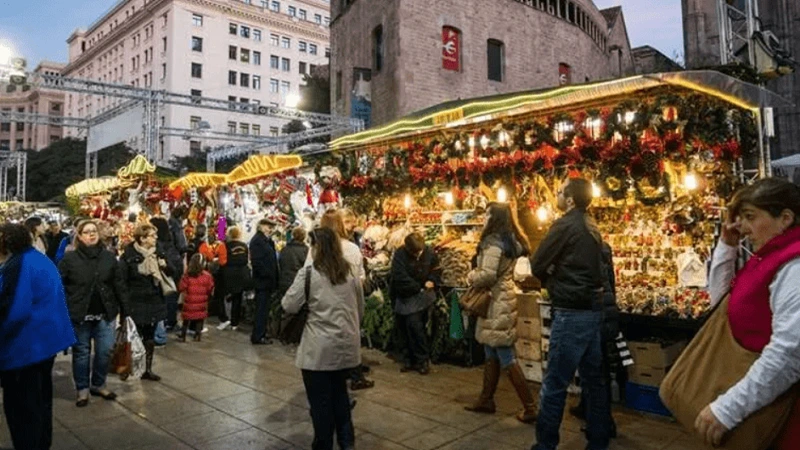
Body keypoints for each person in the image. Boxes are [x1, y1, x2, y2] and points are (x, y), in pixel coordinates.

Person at [696, 178, 800, 449]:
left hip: (785, 409)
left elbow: (790, 352)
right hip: (764, 397)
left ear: (785, 218)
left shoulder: (794, 265)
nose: (742, 226)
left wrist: (729, 409)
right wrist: (727, 245)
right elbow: (720, 302)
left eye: (750, 217)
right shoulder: (769, 255)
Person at [530, 178, 610, 450]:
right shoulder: (591, 224)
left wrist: (552, 272)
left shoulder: (565, 224)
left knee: (554, 384)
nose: (557, 194)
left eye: (561, 191)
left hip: (571, 312)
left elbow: (537, 263)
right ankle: (598, 441)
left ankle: (545, 445)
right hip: (591, 310)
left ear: (571, 199)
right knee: (593, 381)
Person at [282, 227, 364, 450]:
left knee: (320, 404)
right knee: (340, 398)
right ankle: (347, 444)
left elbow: (288, 304)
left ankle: (323, 444)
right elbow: (360, 308)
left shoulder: (309, 273)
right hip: (346, 346)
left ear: (316, 247)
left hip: (318, 349)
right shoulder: (349, 273)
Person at [0, 223, 76, 450]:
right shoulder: (36, 258)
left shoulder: (20, 264)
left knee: (23, 409)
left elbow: (13, 310)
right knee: (40, 403)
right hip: (43, 344)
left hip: (26, 348)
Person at [464, 202, 538, 424]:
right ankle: (486, 399)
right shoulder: (508, 241)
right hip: (501, 298)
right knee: (491, 351)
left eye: (487, 214)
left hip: (496, 301)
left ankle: (531, 407)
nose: (484, 217)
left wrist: (470, 276)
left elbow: (486, 275)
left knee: (505, 354)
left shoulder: (493, 244)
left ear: (493, 218)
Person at [58, 220, 127, 407]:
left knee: (105, 351)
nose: (91, 234)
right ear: (79, 236)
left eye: (94, 231)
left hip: (105, 314)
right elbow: (59, 285)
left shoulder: (108, 257)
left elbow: (118, 284)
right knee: (81, 353)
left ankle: (98, 384)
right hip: (80, 315)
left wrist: (125, 310)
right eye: (87, 232)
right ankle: (82, 389)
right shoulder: (69, 259)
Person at [317, 210, 373, 389]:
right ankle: (352, 375)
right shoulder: (350, 248)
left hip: (324, 305)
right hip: (346, 303)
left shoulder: (316, 250)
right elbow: (357, 278)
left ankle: (346, 373)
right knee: (349, 337)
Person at [569, 241, 620, 438]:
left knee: (596, 372)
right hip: (606, 311)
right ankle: (587, 407)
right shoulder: (603, 248)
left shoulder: (581, 251)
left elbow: (584, 289)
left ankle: (603, 423)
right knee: (596, 368)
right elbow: (611, 282)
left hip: (594, 315)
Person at [119, 224, 177, 381]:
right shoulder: (128, 256)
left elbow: (173, 271)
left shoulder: (159, 253)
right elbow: (122, 282)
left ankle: (147, 369)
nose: (155, 238)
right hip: (135, 301)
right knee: (132, 336)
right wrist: (124, 306)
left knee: (149, 337)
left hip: (154, 300)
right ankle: (127, 367)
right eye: (152, 235)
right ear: (142, 238)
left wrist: (165, 266)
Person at [389, 232, 440, 375]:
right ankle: (408, 359)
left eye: (419, 252)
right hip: (405, 295)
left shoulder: (429, 252)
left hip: (423, 297)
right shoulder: (400, 254)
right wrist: (419, 287)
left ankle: (422, 359)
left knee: (415, 325)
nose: (418, 255)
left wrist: (432, 280)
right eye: (414, 253)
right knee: (404, 327)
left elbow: (436, 270)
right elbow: (399, 276)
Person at [151, 217, 184, 330]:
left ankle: (166, 323)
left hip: (168, 272)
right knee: (171, 297)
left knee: (167, 297)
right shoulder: (172, 238)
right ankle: (170, 321)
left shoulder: (159, 244)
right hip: (175, 269)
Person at [250, 218, 280, 344]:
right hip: (262, 281)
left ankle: (262, 333)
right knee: (261, 309)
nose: (270, 229)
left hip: (267, 281)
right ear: (261, 226)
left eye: (272, 227)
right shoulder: (257, 241)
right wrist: (266, 274)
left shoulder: (266, 240)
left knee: (264, 309)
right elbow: (257, 261)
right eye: (268, 226)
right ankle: (258, 336)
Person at [219, 226, 251, 331]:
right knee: (238, 298)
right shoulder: (244, 246)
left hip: (228, 274)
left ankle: (226, 319)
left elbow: (222, 262)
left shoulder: (225, 246)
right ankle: (235, 323)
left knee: (227, 297)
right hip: (242, 274)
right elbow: (247, 260)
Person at [178, 254, 214, 342]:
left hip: (189, 301)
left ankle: (183, 335)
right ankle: (198, 335)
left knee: (186, 319)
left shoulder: (187, 275)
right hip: (202, 302)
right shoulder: (207, 276)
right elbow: (210, 288)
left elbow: (181, 287)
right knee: (199, 318)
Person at [200, 229, 227, 323]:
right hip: (216, 271)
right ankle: (214, 311)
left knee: (211, 292)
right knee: (215, 292)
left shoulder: (217, 243)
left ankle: (210, 310)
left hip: (211, 270)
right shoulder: (220, 244)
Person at [279, 226, 309, 298]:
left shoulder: (284, 249)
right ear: (304, 237)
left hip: (284, 282)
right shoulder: (306, 251)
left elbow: (280, 264)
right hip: (298, 283)